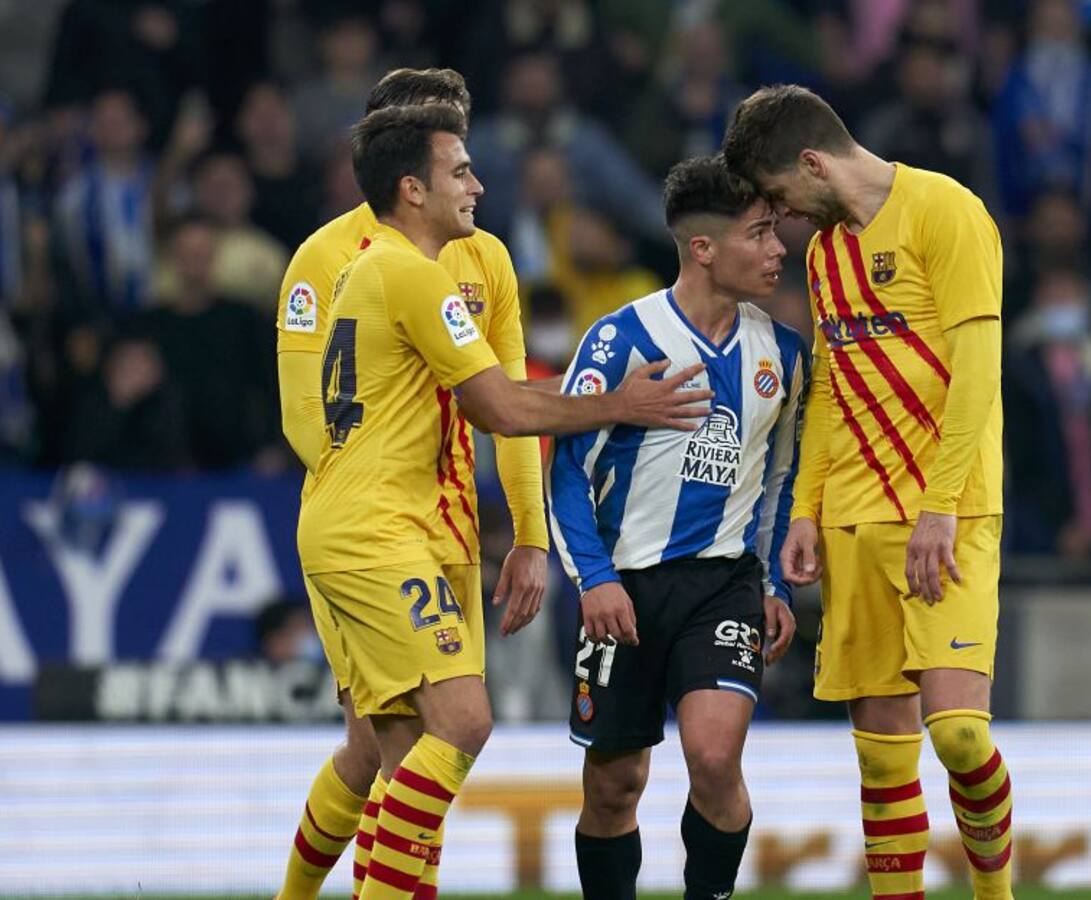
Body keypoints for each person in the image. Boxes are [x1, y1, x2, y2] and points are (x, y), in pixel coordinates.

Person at [291, 103, 710, 900]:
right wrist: (619, 404)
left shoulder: (379, 268)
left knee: (403, 753)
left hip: (369, 523)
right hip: (376, 531)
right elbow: (504, 410)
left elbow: (498, 396)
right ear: (412, 189)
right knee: (464, 722)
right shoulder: (413, 274)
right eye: (460, 171)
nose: (479, 185)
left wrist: (531, 519)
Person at [723, 85, 1011, 900]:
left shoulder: (945, 211)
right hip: (854, 518)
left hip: (948, 513)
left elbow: (978, 373)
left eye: (780, 193)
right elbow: (831, 388)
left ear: (813, 162)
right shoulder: (825, 254)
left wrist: (939, 506)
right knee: (883, 759)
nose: (782, 216)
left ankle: (996, 895)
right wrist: (806, 510)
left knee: (959, 736)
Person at [547, 156, 804, 900]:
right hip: (623, 589)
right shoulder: (619, 340)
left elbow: (780, 482)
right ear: (703, 248)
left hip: (723, 586)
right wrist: (595, 579)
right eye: (759, 233)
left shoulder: (786, 355)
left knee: (715, 760)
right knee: (614, 788)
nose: (777, 249)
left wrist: (776, 584)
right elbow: (567, 471)